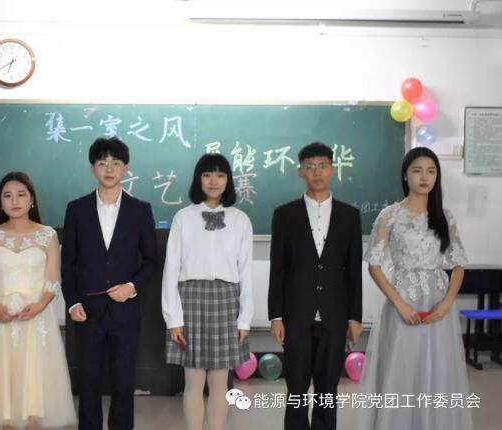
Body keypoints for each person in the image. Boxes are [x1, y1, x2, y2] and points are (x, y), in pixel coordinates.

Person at [357, 147, 473, 430]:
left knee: (438, 369)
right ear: (405, 175)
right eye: (417, 170)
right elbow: (374, 265)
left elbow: (459, 264)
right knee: (401, 368)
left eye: (431, 171)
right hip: (403, 303)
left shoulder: (445, 216)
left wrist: (446, 304)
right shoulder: (389, 215)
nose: (424, 177)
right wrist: (400, 304)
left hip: (438, 304)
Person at [61, 136, 157, 430]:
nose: (109, 169)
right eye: (102, 163)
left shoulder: (140, 210)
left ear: (125, 168)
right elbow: (68, 262)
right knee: (88, 382)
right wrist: (72, 302)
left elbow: (151, 260)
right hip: (87, 311)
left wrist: (132, 286)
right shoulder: (76, 209)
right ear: (93, 168)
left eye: (116, 163)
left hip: (125, 312)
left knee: (123, 382)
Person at [0, 171, 77, 429]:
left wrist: (39, 306)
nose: (14, 201)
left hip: (35, 320)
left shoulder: (47, 235)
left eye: (21, 194)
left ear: (32, 200)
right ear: (0, 202)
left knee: (34, 394)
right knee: (2, 396)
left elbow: (53, 281)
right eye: (7, 196)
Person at [268, 141, 362, 430]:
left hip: (334, 315)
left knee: (327, 390)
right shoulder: (284, 214)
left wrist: (355, 317)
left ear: (332, 170)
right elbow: (278, 269)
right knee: (296, 389)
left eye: (323, 166)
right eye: (310, 166)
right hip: (296, 315)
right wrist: (276, 315)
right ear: (300, 171)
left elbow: (354, 272)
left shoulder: (349, 215)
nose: (317, 172)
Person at [161, 153, 253, 430]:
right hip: (190, 300)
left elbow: (246, 271)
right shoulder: (183, 218)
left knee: (220, 383)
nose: (214, 181)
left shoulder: (240, 220)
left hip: (226, 301)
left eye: (220, 175)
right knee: (193, 381)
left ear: (228, 180)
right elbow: (171, 269)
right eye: (207, 175)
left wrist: (245, 318)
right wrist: (173, 317)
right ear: (198, 179)